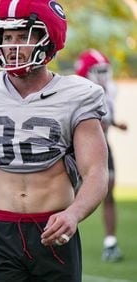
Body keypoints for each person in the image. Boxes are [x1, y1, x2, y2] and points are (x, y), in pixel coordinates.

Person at [0, 1, 108, 281]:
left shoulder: (78, 95)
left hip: (54, 230)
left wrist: (73, 214)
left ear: (48, 38)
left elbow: (96, 171)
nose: (11, 46)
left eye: (22, 36)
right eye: (5, 37)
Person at [75, 49, 128, 262]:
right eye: (98, 71)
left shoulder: (110, 90)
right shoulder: (77, 90)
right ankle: (52, 235)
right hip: (76, 149)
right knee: (68, 195)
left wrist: (115, 123)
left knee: (108, 192)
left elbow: (105, 116)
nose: (104, 75)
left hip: (102, 147)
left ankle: (111, 243)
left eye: (105, 70)